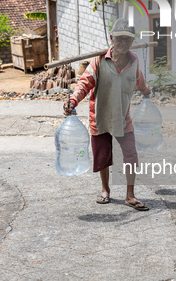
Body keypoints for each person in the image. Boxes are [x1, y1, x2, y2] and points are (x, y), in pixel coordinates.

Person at [63, 18, 151, 211]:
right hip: (100, 116)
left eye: (127, 40)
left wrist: (146, 92)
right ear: (112, 38)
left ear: (131, 41)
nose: (122, 43)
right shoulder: (99, 61)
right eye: (119, 39)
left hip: (122, 117)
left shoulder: (134, 62)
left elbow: (140, 83)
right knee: (103, 155)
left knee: (131, 155)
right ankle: (105, 189)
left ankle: (130, 195)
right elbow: (84, 83)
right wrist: (73, 101)